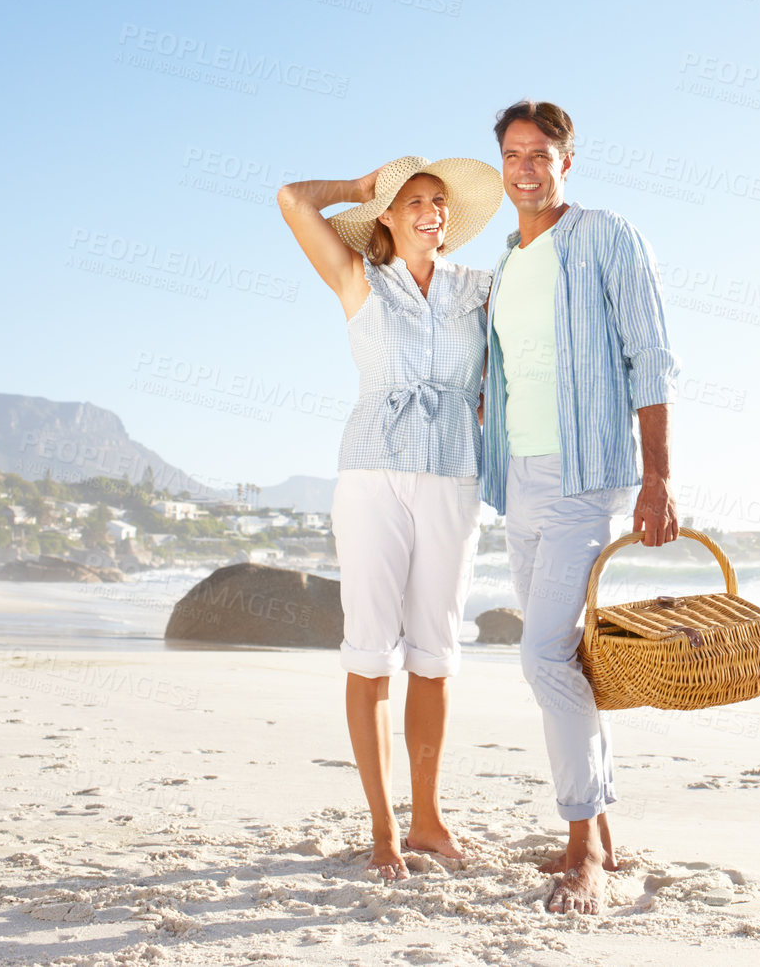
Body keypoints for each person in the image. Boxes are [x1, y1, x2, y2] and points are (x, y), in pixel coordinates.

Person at [480, 100, 681, 914]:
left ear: (568, 161)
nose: (525, 166)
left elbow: (652, 356)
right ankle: (598, 829)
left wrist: (657, 476)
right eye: (512, 153)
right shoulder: (503, 261)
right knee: (562, 663)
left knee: (540, 661)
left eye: (540, 152)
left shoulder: (605, 237)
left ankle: (581, 850)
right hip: (517, 482)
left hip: (584, 476)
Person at [278, 154, 503, 881]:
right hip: (372, 473)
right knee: (371, 649)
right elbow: (290, 199)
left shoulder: (480, 289)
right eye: (414, 201)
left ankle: (428, 817)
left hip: (451, 477)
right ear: (388, 214)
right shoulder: (359, 280)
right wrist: (357, 187)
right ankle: (382, 828)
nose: (431, 210)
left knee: (434, 655)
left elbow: (510, 365)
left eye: (439, 201)